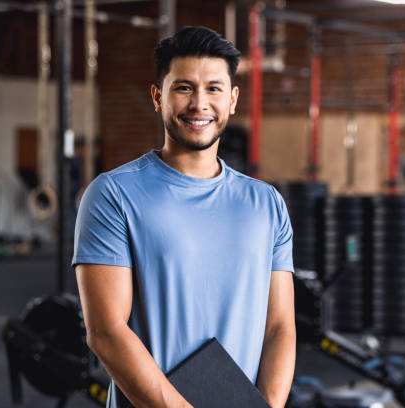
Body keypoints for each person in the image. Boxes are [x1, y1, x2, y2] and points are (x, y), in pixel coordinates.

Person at [73, 26, 296, 408]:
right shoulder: (113, 195)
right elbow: (106, 332)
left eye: (213, 88)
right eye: (184, 88)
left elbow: (279, 327)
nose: (199, 104)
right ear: (158, 97)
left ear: (233, 99)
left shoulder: (267, 204)